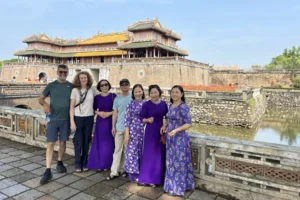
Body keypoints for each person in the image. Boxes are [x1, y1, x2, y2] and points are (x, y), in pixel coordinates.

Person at [38, 64, 73, 185]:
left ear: (67, 73)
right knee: (51, 143)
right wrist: (45, 104)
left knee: (63, 142)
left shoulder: (71, 86)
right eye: (61, 72)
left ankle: (59, 162)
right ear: (57, 72)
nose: (63, 74)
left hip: (66, 120)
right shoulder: (51, 85)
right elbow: (40, 99)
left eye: (65, 72)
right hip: (53, 119)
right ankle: (48, 170)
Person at [161, 85, 195, 196]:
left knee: (179, 163)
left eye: (177, 92)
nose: (174, 94)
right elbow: (168, 119)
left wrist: (176, 130)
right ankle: (170, 186)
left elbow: (189, 123)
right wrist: (164, 126)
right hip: (170, 138)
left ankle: (178, 188)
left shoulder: (183, 107)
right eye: (172, 92)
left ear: (181, 94)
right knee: (170, 162)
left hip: (180, 139)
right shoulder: (171, 106)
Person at [138, 84, 168, 187]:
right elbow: (141, 118)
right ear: (149, 94)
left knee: (158, 155)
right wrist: (148, 120)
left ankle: (156, 179)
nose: (154, 94)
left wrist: (164, 125)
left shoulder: (164, 104)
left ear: (159, 92)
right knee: (149, 154)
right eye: (151, 93)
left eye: (155, 92)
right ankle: (146, 178)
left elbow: (167, 117)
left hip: (160, 131)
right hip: (150, 131)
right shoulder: (146, 104)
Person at [70, 71, 97, 173]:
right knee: (78, 142)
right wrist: (72, 122)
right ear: (78, 79)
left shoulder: (92, 90)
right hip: (78, 118)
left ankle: (85, 162)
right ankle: (77, 163)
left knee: (86, 141)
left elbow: (96, 103)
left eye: (85, 78)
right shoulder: (75, 91)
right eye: (81, 78)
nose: (83, 79)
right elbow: (71, 107)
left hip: (89, 118)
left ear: (88, 79)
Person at [87, 79, 116, 171]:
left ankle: (107, 164)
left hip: (110, 122)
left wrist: (110, 113)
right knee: (99, 142)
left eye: (106, 84)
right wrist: (99, 113)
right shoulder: (97, 97)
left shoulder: (113, 96)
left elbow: (116, 109)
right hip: (100, 122)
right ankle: (99, 164)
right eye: (102, 85)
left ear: (108, 85)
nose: (104, 86)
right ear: (99, 87)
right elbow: (93, 109)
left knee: (109, 144)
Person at [106, 78, 132, 180]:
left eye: (126, 84)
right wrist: (113, 126)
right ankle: (114, 171)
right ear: (120, 86)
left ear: (129, 85)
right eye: (122, 85)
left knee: (126, 150)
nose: (124, 86)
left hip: (129, 129)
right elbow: (115, 113)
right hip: (119, 127)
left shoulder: (132, 98)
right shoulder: (117, 99)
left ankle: (123, 169)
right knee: (117, 150)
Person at [123, 84, 146, 181]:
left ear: (142, 92)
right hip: (133, 131)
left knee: (142, 151)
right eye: (136, 91)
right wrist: (127, 134)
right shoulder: (130, 104)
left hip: (144, 130)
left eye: (139, 91)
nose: (138, 93)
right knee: (132, 152)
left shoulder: (146, 103)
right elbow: (127, 120)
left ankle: (142, 172)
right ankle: (133, 174)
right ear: (133, 93)